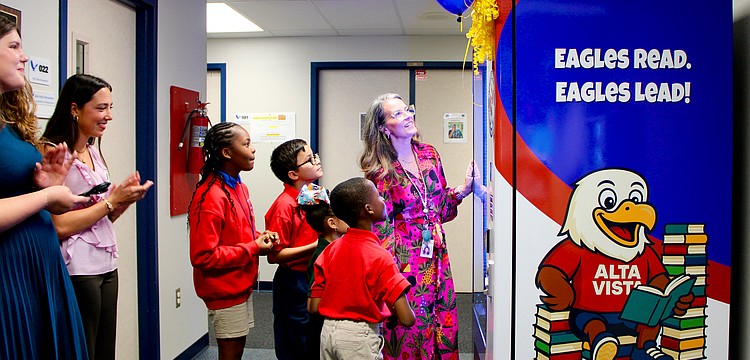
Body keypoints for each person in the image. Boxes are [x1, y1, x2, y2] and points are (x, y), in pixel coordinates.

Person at [359, 93, 482, 359]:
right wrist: (389, 275)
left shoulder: (429, 154)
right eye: (398, 114)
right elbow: (381, 228)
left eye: (408, 110)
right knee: (411, 326)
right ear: (382, 127)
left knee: (443, 321)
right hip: (402, 260)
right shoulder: (379, 170)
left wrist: (464, 189)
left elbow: (442, 209)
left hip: (436, 254)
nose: (408, 116)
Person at [41, 73, 154, 360]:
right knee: (83, 349)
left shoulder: (93, 151)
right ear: (74, 108)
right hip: (78, 267)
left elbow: (101, 218)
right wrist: (109, 203)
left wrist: (122, 202)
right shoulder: (52, 152)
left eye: (110, 108)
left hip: (106, 262)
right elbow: (59, 226)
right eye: (101, 108)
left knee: (105, 349)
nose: (108, 116)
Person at [0, 17, 91, 359]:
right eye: (13, 46)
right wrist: (46, 196)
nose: (24, 57)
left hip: (38, 269)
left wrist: (47, 185)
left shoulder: (9, 119)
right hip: (9, 274)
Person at [188, 122, 276, 360]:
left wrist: (259, 237)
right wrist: (252, 248)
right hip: (224, 289)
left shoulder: (239, 187)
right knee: (230, 353)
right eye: (246, 144)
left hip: (241, 284)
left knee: (237, 349)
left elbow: (236, 232)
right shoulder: (211, 196)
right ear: (227, 153)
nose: (253, 150)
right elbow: (202, 256)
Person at [309, 177, 415, 360]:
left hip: (328, 334)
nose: (383, 199)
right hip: (359, 339)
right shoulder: (381, 257)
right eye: (379, 197)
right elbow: (407, 318)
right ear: (369, 209)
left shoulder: (329, 251)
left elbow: (314, 307)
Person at [265, 138, 322, 359]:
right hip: (293, 280)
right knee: (294, 341)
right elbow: (274, 256)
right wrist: (315, 246)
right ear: (293, 174)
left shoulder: (313, 193)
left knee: (313, 339)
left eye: (314, 156)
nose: (316, 162)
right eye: (309, 160)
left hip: (315, 277)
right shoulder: (284, 205)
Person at [297, 183, 349, 359]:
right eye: (345, 215)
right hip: (320, 329)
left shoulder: (334, 249)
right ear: (332, 223)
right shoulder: (323, 255)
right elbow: (313, 306)